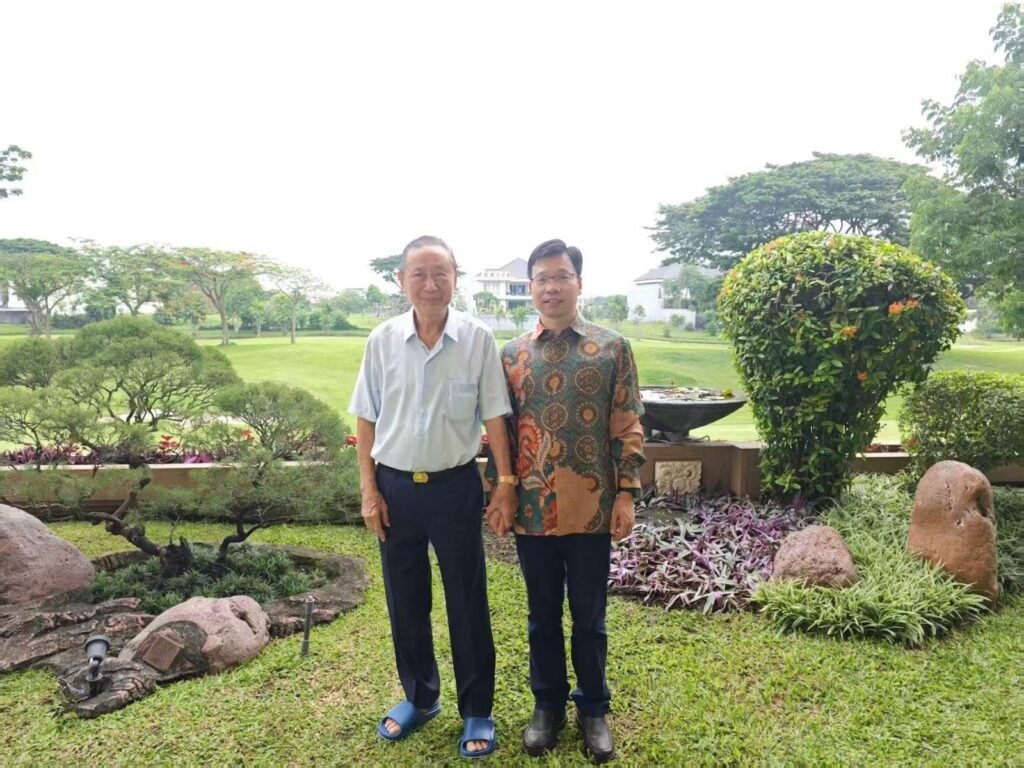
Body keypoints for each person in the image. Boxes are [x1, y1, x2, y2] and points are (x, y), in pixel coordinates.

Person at [349, 235, 517, 759]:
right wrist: (369, 491)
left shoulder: (477, 339)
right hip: (395, 488)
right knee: (406, 600)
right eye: (419, 273)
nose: (430, 283)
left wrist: (505, 484)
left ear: (455, 279)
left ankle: (477, 709)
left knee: (467, 599)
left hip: (455, 487)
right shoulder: (382, 341)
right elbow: (366, 419)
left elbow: (495, 417)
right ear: (401, 281)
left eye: (440, 272)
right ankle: (420, 698)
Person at [497, 238, 645, 763]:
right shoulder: (511, 355)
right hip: (534, 510)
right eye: (542, 278)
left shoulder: (611, 348)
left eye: (561, 276)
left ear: (579, 283)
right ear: (531, 287)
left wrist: (626, 494)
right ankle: (547, 706)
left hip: (592, 508)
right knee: (541, 616)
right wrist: (502, 491)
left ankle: (594, 709)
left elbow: (627, 424)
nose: (551, 287)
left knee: (589, 617)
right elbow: (501, 433)